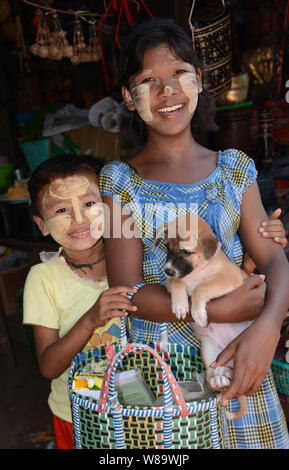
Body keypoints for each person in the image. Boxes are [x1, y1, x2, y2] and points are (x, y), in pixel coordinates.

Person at [99, 18, 289, 449]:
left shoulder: (234, 170)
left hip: (240, 352)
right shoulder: (119, 183)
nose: (167, 91)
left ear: (199, 81)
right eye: (149, 80)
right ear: (130, 98)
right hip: (165, 369)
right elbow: (126, 290)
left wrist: (268, 329)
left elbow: (276, 259)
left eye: (179, 73)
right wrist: (220, 311)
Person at [23, 155, 137, 449]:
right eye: (62, 209)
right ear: (41, 224)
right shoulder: (43, 278)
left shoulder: (134, 259)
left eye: (89, 204)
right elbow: (48, 367)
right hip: (78, 415)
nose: (79, 219)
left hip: (139, 406)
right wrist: (89, 320)